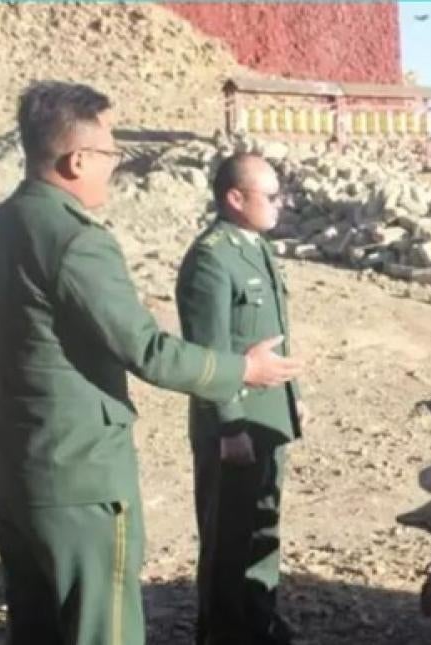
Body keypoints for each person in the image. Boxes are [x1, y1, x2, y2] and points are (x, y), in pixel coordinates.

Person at [0, 81, 300, 645]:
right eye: (110, 154)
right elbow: (148, 350)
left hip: (9, 475)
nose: (114, 168)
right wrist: (243, 373)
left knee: (35, 628)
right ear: (76, 160)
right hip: (79, 483)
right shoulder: (75, 240)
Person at [176, 154, 302, 645]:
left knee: (263, 527)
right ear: (235, 198)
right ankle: (224, 631)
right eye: (270, 196)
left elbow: (275, 337)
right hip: (236, 422)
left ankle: (258, 618)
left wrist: (295, 398)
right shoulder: (212, 257)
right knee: (227, 537)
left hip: (269, 415)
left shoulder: (257, 248)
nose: (280, 204)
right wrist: (229, 426)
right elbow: (208, 352)